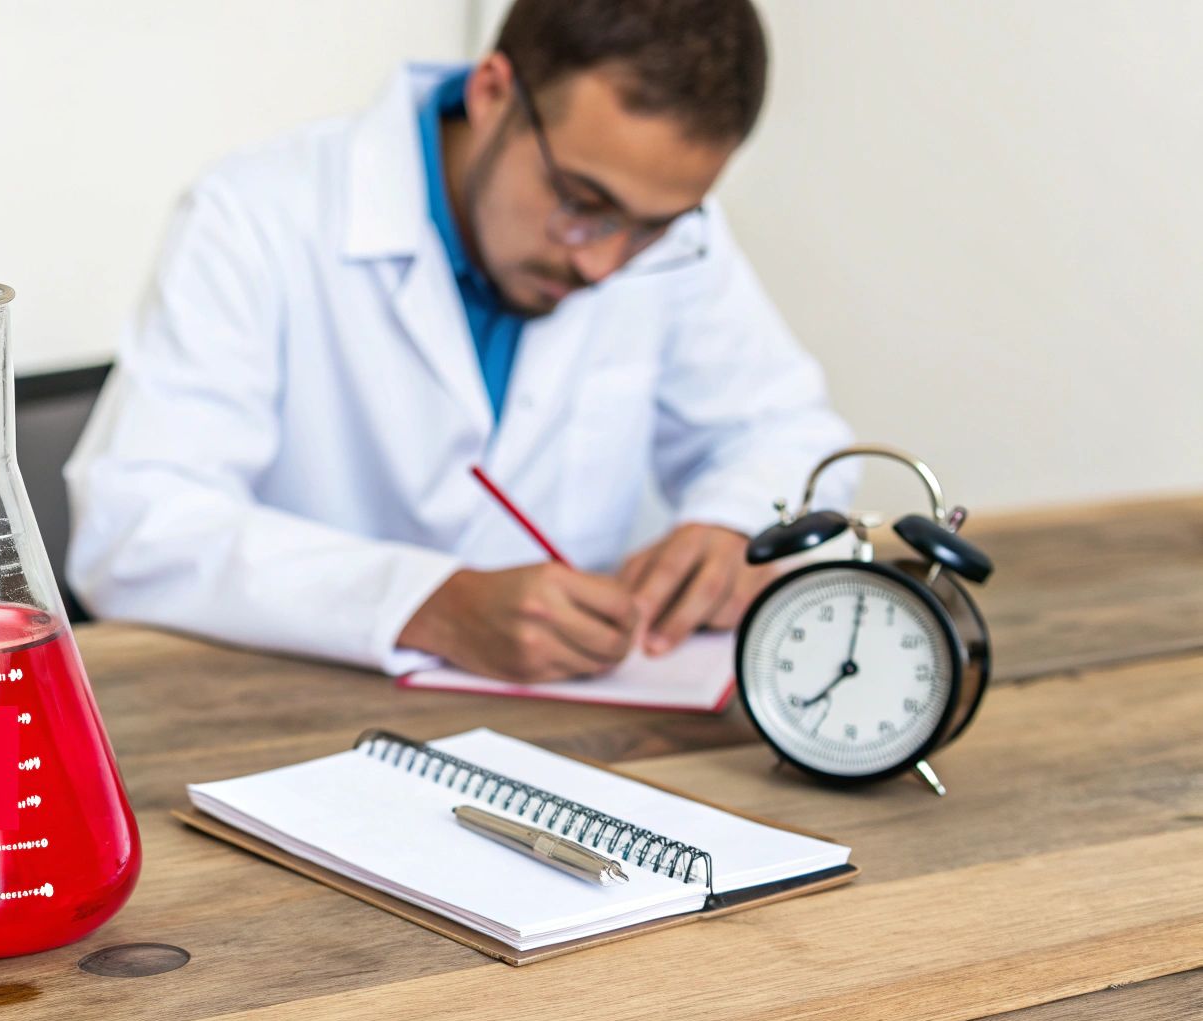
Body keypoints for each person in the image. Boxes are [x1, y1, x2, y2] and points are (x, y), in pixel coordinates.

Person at [64, 0, 854, 683]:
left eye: (652, 229)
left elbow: (781, 432)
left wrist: (737, 523)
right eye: (582, 202)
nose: (603, 262)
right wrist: (426, 603)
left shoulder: (678, 245)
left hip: (570, 739)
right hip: (292, 729)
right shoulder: (257, 215)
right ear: (491, 92)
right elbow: (138, 529)